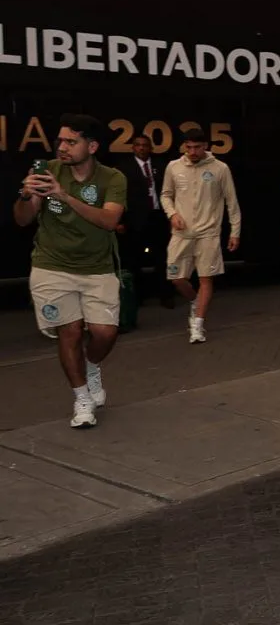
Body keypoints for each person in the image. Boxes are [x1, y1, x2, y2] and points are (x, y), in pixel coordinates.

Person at [13, 114, 126, 428]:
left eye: (70, 142)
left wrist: (63, 195)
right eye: (60, 140)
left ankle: (91, 367)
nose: (62, 147)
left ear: (91, 146)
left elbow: (108, 221)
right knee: (71, 332)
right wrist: (25, 194)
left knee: (105, 333)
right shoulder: (46, 170)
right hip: (51, 266)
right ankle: (82, 399)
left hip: (97, 268)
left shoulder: (112, 178)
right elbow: (22, 220)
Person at [159, 128, 242, 344]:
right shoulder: (174, 167)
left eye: (197, 147)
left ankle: (197, 325)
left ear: (205, 146)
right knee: (176, 278)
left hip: (209, 234)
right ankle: (195, 301)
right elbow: (166, 195)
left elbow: (231, 202)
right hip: (181, 234)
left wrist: (235, 231)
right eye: (188, 147)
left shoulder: (220, 168)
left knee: (206, 279)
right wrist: (172, 213)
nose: (192, 151)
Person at [115, 134, 173, 307]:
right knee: (134, 260)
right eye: (138, 145)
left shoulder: (161, 166)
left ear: (150, 148)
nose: (141, 148)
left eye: (145, 145)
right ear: (133, 147)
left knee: (162, 258)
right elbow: (119, 196)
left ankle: (165, 294)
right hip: (135, 219)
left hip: (158, 217)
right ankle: (138, 296)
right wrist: (120, 220)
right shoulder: (123, 168)